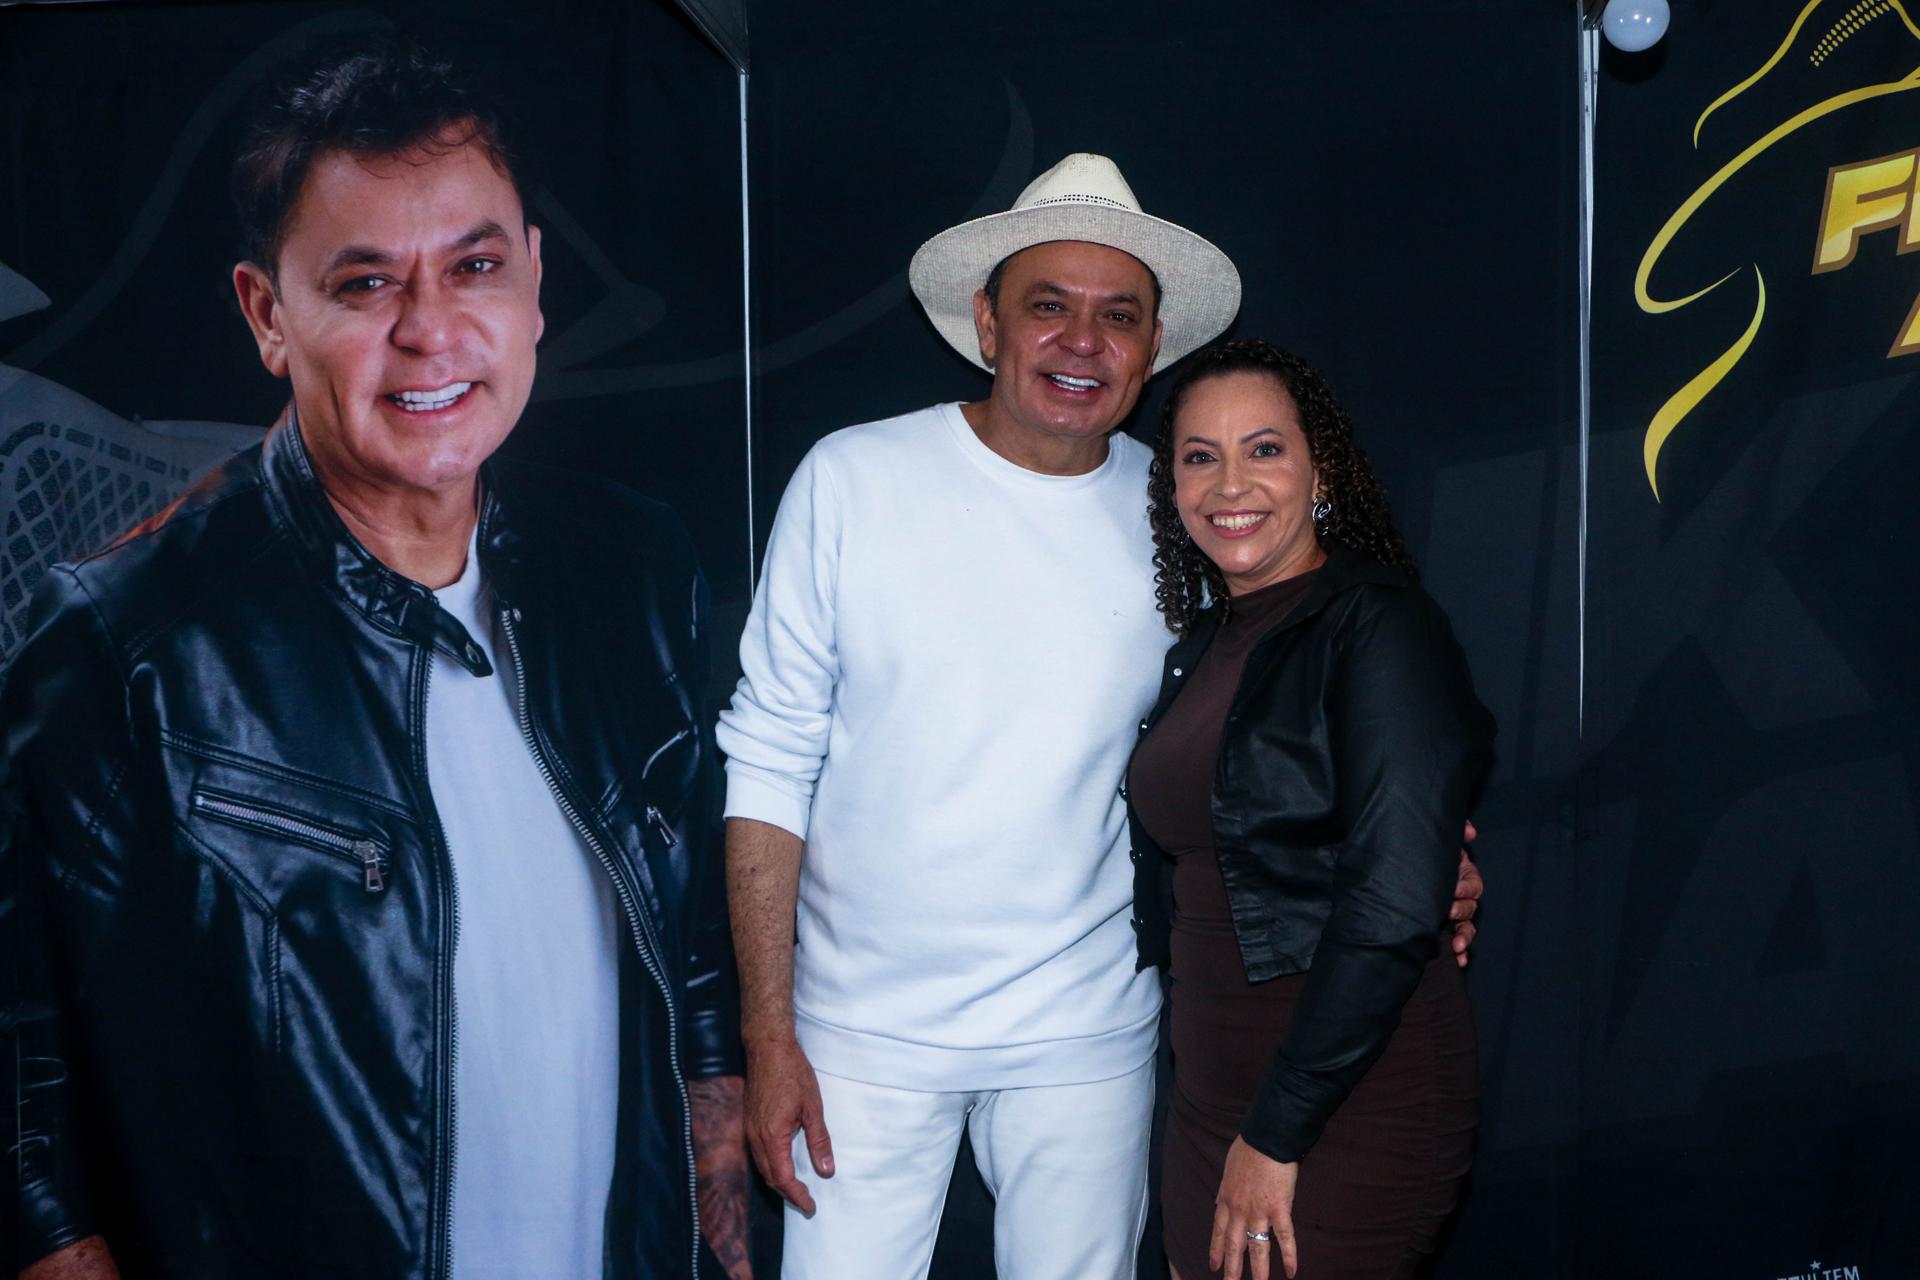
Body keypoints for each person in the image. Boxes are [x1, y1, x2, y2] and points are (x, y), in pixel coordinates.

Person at [2, 38, 747, 1280]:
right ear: (268, 315)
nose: (431, 331)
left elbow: (694, 940)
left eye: (475, 266)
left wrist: (717, 1188)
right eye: (364, 283)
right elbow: (21, 1080)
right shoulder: (125, 640)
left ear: (535, 280)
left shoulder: (629, 565)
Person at [718, 153, 1484, 1279]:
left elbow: (1293, 712)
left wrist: (1422, 854)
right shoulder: (852, 478)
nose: (1082, 341)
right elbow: (768, 755)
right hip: (860, 1039)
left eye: (1118, 315)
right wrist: (767, 1030)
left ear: (1152, 345)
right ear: (988, 322)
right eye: (1049, 306)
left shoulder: (1181, 508)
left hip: (1089, 1037)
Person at [1128, 339, 1494, 1280]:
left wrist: (1276, 1132)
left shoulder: (1379, 624)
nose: (1230, 484)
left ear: (1319, 469)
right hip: (1208, 1097)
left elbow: (1393, 902)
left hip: (1345, 1097)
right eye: (1200, 457)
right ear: (1173, 488)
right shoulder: (1203, 645)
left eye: (1264, 449)